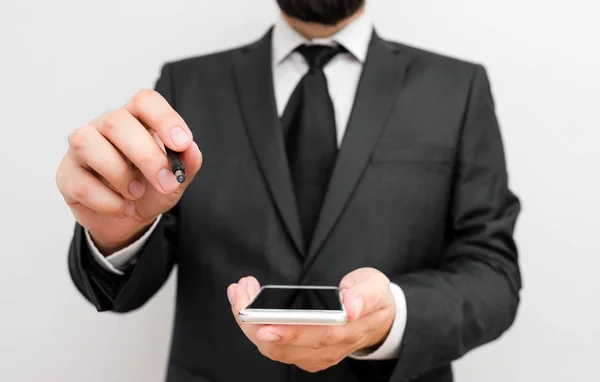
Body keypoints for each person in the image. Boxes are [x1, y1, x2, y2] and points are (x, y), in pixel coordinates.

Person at [56, 0, 522, 381]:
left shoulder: (456, 88)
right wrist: (117, 233)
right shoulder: (188, 86)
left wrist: (391, 318)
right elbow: (124, 287)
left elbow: (492, 273)